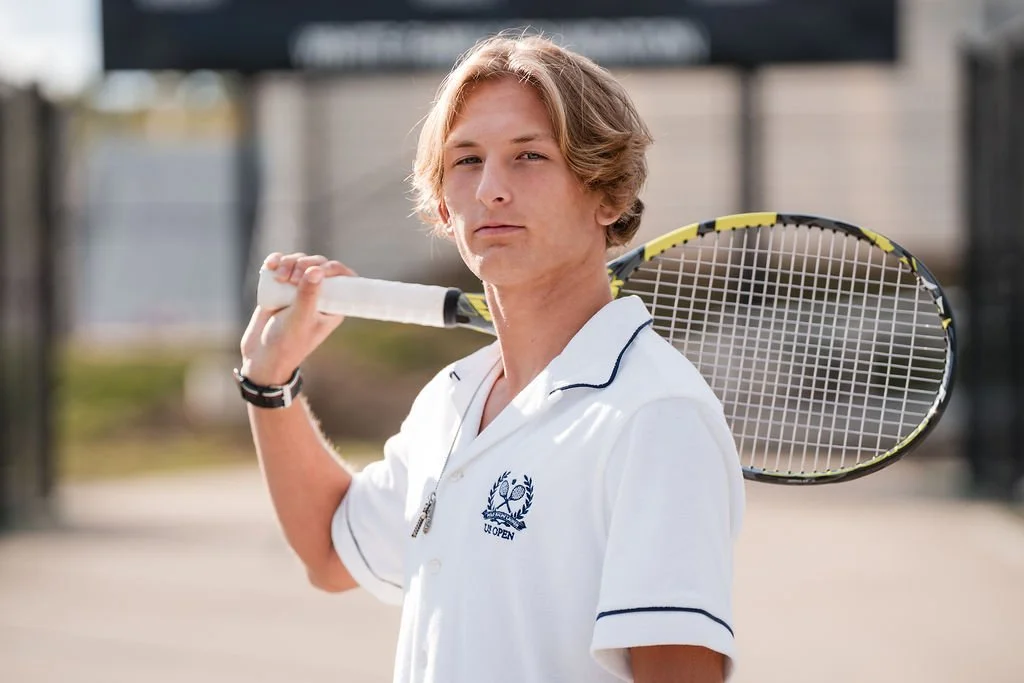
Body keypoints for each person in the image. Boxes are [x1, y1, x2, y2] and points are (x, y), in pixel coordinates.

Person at [237, 32, 745, 683]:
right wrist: (269, 381)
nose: (491, 190)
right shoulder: (451, 399)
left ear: (608, 195)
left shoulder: (656, 414)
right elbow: (334, 553)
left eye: (529, 156)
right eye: (467, 160)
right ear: (444, 204)